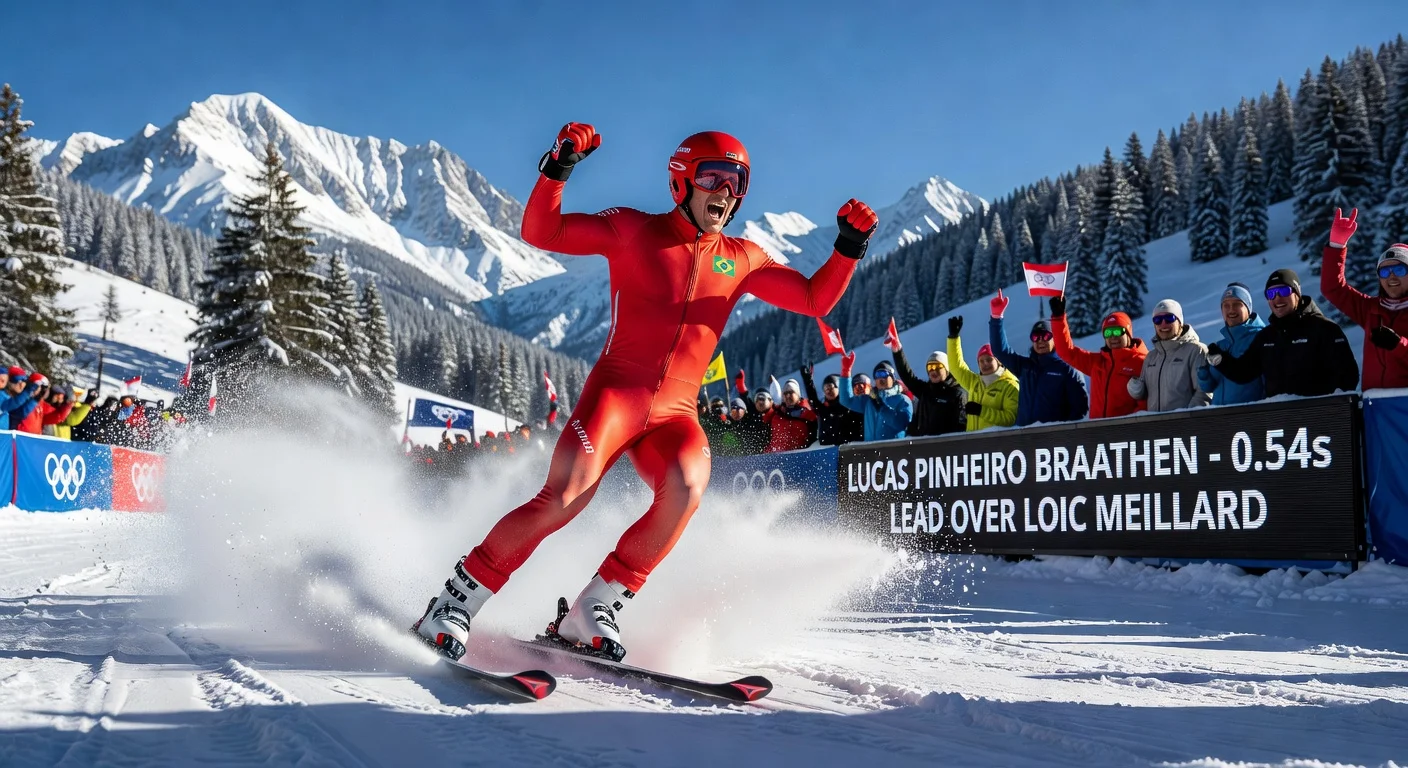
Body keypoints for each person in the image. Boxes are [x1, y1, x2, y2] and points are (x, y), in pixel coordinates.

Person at [413, 123, 876, 662]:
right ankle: (455, 601)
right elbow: (544, 232)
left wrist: (849, 247)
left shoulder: (742, 256)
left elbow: (815, 300)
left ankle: (593, 609)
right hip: (615, 397)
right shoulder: (633, 230)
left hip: (675, 414)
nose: (726, 192)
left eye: (737, 180)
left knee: (685, 488)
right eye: (715, 177)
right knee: (563, 499)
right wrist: (558, 169)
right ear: (682, 181)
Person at [1207, 269, 1359, 397]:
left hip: (1318, 419)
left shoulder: (1324, 329)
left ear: (1297, 294)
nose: (1277, 298)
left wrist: (1331, 410)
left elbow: (1348, 378)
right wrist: (1221, 359)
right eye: (1271, 293)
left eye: (1284, 291)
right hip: (1280, 419)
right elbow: (1244, 372)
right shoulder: (1267, 336)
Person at [1320, 208, 1408, 389]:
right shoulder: (1371, 309)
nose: (1391, 277)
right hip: (1375, 406)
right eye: (1384, 271)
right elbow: (1333, 288)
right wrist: (1337, 247)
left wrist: (1398, 346)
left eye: (1399, 270)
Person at [988, 290, 1088, 426]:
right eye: (1036, 337)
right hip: (1024, 437)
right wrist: (996, 318)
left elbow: (1080, 410)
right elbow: (1001, 351)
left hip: (1052, 440)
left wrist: (1063, 435)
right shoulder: (1026, 367)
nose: (1040, 341)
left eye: (1046, 336)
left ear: (1055, 339)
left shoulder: (1067, 368)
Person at [1049, 296, 1148, 419]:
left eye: (1117, 331)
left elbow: (1145, 404)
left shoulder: (1141, 363)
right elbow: (1067, 352)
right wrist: (1058, 318)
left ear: (1128, 334)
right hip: (1097, 433)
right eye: (1108, 333)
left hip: (1126, 433)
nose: (1113, 337)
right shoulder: (1097, 362)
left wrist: (1128, 429)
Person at [1126, 299, 1211, 412]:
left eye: (1169, 318)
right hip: (1157, 425)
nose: (1163, 324)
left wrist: (1188, 421)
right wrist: (1135, 388)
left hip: (1183, 426)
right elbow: (1143, 395)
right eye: (1158, 320)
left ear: (1179, 321)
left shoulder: (1196, 350)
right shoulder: (1151, 357)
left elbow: (1204, 393)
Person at [1196, 283, 1268, 406]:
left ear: (1248, 308)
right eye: (1226, 305)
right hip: (1220, 417)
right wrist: (1203, 372)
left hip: (1249, 418)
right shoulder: (1221, 346)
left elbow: (1269, 384)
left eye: (1237, 304)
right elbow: (1208, 387)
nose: (1231, 309)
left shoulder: (1261, 338)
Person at [945, 317, 1019, 431]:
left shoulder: (1010, 386)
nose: (985, 364)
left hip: (997, 445)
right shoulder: (975, 383)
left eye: (989, 360)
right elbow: (956, 367)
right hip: (974, 443)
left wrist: (982, 411)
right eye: (981, 361)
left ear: (998, 361)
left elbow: (1011, 419)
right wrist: (953, 338)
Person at [889, 339, 967, 436]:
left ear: (947, 370)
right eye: (930, 367)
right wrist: (897, 352)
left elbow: (961, 427)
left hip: (947, 447)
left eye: (938, 367)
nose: (933, 371)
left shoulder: (957, 393)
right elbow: (907, 376)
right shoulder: (925, 390)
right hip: (924, 445)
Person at [838, 358, 913, 441]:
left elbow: (902, 424)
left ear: (892, 378)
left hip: (893, 450)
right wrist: (846, 372)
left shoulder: (903, 400)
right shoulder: (869, 400)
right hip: (870, 449)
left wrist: (882, 408)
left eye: (884, 374)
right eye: (877, 375)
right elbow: (846, 400)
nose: (880, 378)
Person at [800, 363, 864, 446]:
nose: (828, 391)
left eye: (831, 387)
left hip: (848, 450)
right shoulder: (824, 409)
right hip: (828, 451)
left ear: (838, 387)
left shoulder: (848, 407)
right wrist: (808, 381)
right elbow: (813, 400)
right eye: (826, 389)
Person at [761, 379, 816, 452]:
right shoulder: (777, 412)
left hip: (799, 457)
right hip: (774, 457)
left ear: (798, 395)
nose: (787, 395)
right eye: (785, 393)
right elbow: (763, 421)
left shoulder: (807, 413)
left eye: (791, 392)